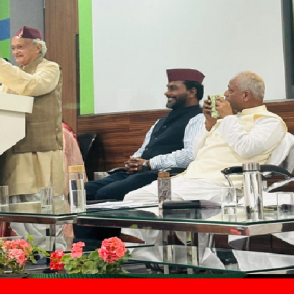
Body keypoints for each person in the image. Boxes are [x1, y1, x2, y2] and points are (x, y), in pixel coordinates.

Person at [122, 71, 287, 213]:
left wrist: (228, 117)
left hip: (220, 184)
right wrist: (208, 125)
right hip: (188, 178)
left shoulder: (269, 121)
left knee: (157, 205)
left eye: (230, 90)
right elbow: (196, 153)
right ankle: (168, 241)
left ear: (245, 95)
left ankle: (184, 239)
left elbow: (247, 148)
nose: (225, 94)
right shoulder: (226, 120)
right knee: (133, 198)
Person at [0, 26, 64, 238]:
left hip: (40, 147)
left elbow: (32, 86)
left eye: (21, 47)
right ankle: (25, 249)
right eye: (13, 48)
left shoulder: (49, 68)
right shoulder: (14, 75)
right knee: (17, 202)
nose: (16, 52)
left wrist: (0, 65)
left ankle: (49, 249)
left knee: (40, 202)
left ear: (37, 48)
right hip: (14, 144)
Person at [84, 69, 206, 201]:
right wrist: (134, 161)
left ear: (192, 92)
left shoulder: (199, 119)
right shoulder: (161, 121)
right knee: (84, 191)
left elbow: (190, 155)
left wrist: (150, 163)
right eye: (168, 88)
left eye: (172, 89)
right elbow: (144, 149)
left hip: (163, 175)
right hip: (138, 172)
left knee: (106, 193)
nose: (167, 93)